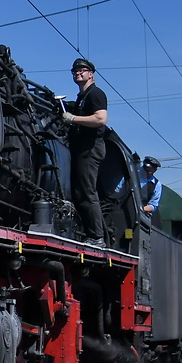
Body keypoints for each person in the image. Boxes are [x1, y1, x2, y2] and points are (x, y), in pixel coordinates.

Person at [61, 58, 109, 246]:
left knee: (87, 191)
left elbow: (100, 119)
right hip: (82, 148)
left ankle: (97, 237)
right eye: (75, 71)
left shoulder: (96, 94)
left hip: (90, 148)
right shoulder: (82, 96)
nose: (77, 73)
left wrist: (73, 119)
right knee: (80, 191)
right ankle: (90, 233)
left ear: (91, 74)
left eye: (82, 70)